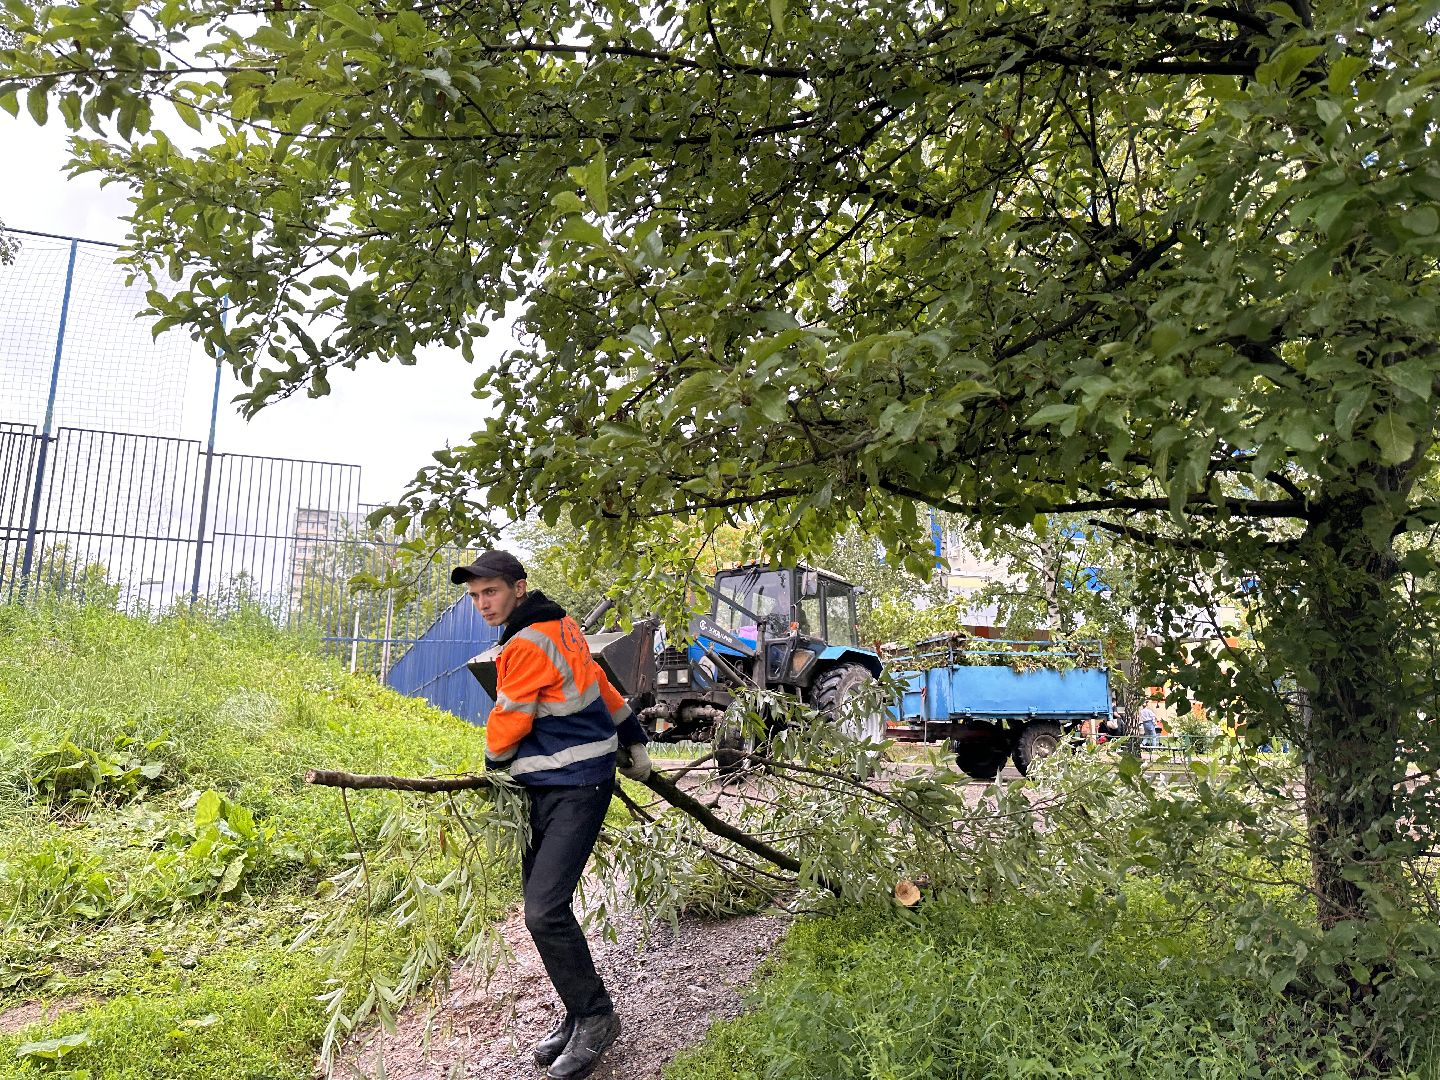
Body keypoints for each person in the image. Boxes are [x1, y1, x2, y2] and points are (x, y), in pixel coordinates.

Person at [452, 549, 651, 1080]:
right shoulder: (559, 626)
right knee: (541, 910)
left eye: (489, 592)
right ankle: (576, 1010)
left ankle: (595, 1016)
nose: (482, 604)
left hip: (576, 786)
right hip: (550, 787)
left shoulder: (527, 642)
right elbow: (600, 684)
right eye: (474, 597)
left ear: (518, 588)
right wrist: (632, 736)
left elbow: (510, 716)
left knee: (544, 910)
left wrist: (492, 768)